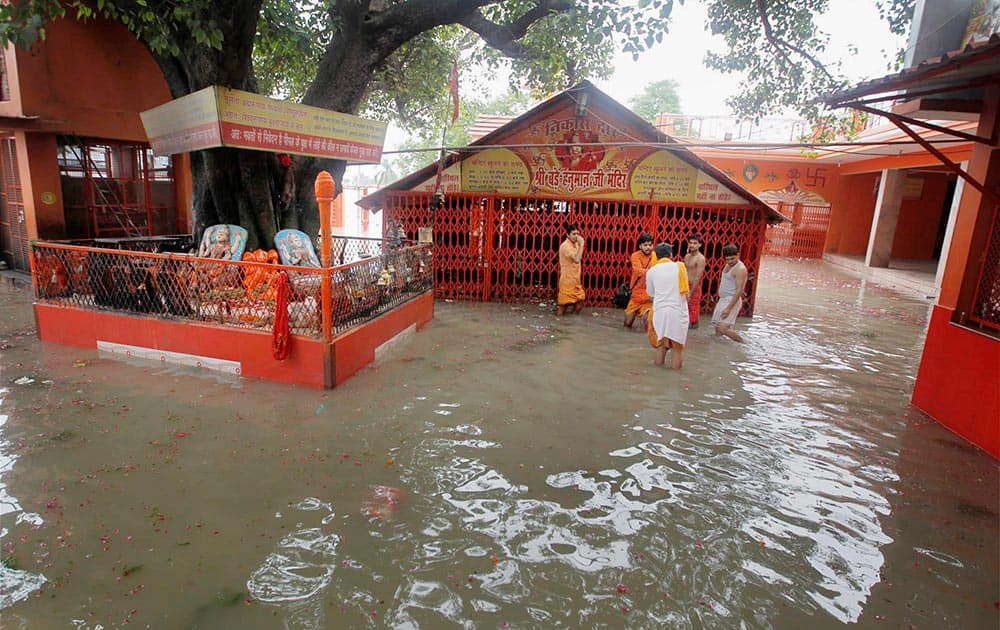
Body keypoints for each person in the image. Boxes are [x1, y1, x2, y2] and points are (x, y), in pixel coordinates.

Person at [645, 243, 690, 369]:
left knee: (661, 345)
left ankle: (658, 373)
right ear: (671, 255)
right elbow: (686, 291)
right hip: (678, 311)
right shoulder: (680, 267)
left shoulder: (651, 272)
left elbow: (650, 294)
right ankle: (675, 380)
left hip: (660, 312)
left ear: (657, 256)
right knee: (677, 348)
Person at [712, 244, 748, 343]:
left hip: (732, 300)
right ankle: (718, 351)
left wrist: (728, 308)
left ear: (738, 255)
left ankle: (744, 344)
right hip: (723, 299)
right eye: (727, 259)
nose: (729, 261)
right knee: (717, 328)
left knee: (724, 328)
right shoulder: (728, 264)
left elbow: (739, 290)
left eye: (732, 259)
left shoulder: (740, 269)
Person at [623, 233, 655, 329]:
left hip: (649, 294)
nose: (648, 247)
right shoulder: (635, 256)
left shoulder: (655, 256)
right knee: (627, 323)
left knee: (646, 320)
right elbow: (638, 271)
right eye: (645, 245)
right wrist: (653, 271)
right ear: (640, 246)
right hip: (636, 293)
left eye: (650, 245)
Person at [556, 223, 585, 316]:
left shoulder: (576, 244)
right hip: (567, 280)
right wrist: (582, 245)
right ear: (567, 235)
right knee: (563, 305)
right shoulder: (565, 246)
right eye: (573, 234)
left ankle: (571, 322)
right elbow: (577, 259)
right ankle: (559, 323)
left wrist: (579, 245)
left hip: (576, 280)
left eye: (577, 234)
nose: (576, 236)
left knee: (580, 301)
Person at [684, 233, 707, 328]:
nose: (692, 245)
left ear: (699, 245)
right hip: (685, 286)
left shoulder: (700, 258)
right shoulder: (687, 256)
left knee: (693, 313)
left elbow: (698, 277)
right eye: (690, 243)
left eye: (695, 243)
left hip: (694, 287)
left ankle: (694, 333)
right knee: (684, 311)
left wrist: (691, 292)